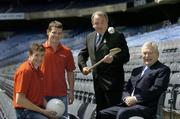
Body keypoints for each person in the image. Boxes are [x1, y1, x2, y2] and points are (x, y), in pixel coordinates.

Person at [98, 42, 171, 119]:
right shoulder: (136, 70)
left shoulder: (163, 70)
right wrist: (126, 98)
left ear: (157, 54)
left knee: (122, 113)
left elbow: (156, 89)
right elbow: (127, 88)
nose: (147, 56)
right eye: (144, 53)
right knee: (102, 114)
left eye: (150, 53)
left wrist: (135, 99)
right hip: (128, 105)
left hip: (146, 107)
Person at [78, 11, 130, 118]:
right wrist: (83, 67)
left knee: (112, 113)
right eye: (97, 23)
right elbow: (82, 54)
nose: (100, 25)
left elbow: (126, 56)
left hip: (114, 84)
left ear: (107, 22)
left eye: (102, 22)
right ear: (93, 24)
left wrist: (113, 59)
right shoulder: (90, 37)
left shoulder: (117, 36)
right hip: (98, 83)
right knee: (101, 113)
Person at [41, 20, 76, 118]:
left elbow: (70, 72)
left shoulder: (67, 52)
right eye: (54, 32)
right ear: (48, 32)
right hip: (42, 94)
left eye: (59, 33)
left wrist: (72, 92)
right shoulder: (39, 50)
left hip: (61, 94)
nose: (57, 35)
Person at [13, 43, 57, 119]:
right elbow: (20, 100)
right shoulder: (25, 71)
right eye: (36, 55)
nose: (40, 58)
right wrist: (43, 112)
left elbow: (40, 97)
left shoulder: (39, 72)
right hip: (25, 111)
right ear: (29, 56)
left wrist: (49, 110)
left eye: (42, 55)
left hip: (36, 109)